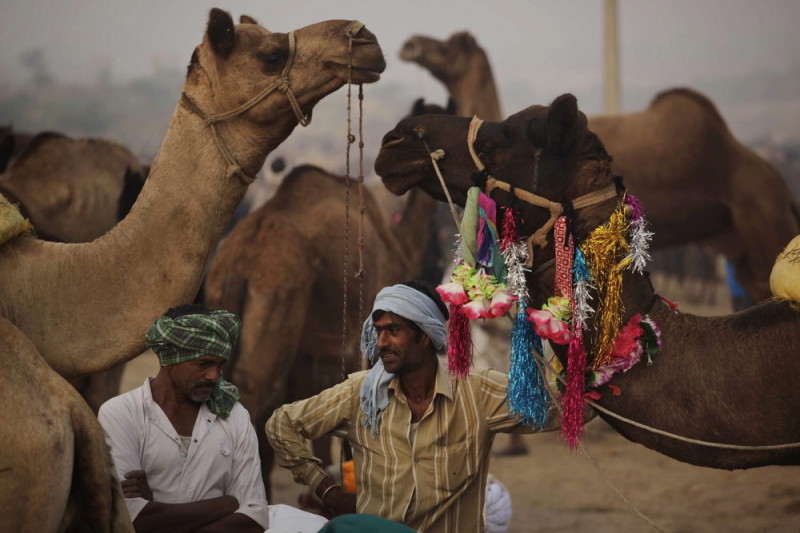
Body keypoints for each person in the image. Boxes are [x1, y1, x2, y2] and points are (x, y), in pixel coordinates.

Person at [266, 280, 559, 532]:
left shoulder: (476, 391)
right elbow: (281, 424)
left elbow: (556, 413)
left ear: (424, 337)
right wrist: (327, 491)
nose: (381, 342)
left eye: (393, 331)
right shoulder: (361, 393)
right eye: (378, 331)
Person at [98, 304, 269, 532]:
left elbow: (254, 516)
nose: (213, 376)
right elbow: (131, 518)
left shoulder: (234, 414)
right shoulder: (120, 414)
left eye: (220, 365)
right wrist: (228, 503)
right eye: (203, 364)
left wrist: (157, 508)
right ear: (170, 360)